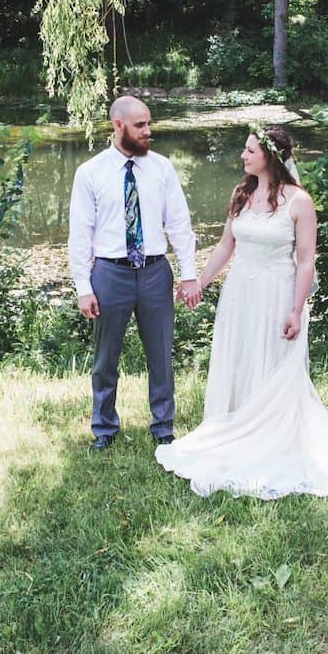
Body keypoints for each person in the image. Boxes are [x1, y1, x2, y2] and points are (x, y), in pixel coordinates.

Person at [155, 125, 328, 498]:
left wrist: (296, 308)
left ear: (270, 157)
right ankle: (234, 425)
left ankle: (270, 437)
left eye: (250, 151)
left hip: (278, 294)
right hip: (240, 294)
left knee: (273, 366)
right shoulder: (241, 194)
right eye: (244, 150)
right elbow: (227, 246)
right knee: (240, 360)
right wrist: (200, 283)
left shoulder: (299, 202)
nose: (243, 156)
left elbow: (305, 262)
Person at [69, 96, 201, 451]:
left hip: (156, 272)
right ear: (118, 126)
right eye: (140, 125)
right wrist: (84, 286)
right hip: (110, 274)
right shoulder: (90, 173)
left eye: (148, 124)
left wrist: (189, 275)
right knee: (105, 358)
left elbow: (179, 224)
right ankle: (104, 429)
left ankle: (163, 428)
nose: (148, 131)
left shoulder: (161, 168)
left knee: (160, 353)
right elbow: (80, 234)